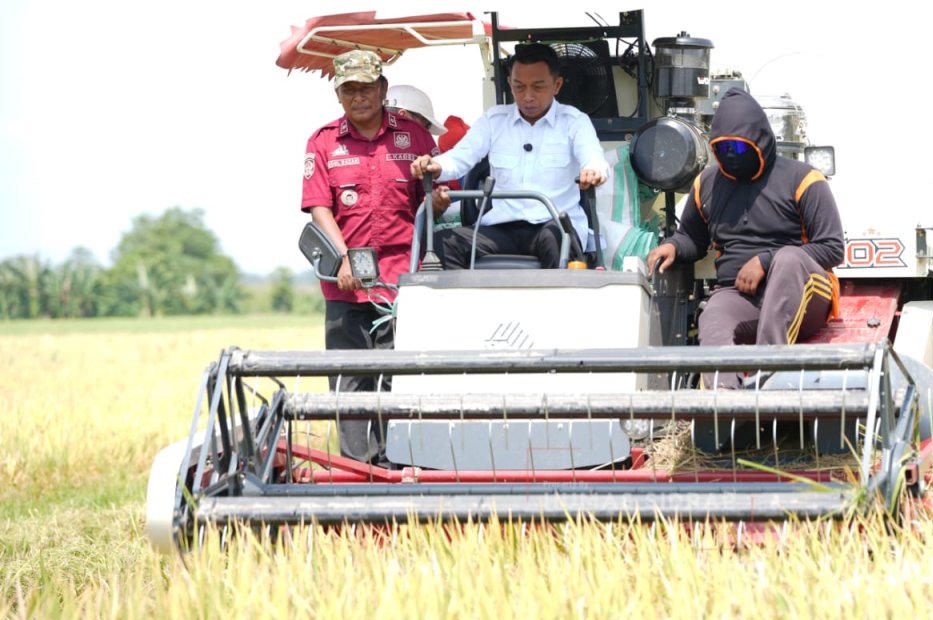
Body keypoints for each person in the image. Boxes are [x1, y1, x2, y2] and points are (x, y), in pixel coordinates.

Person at [646, 87, 844, 388]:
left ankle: (770, 379)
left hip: (805, 295)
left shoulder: (804, 179)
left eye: (738, 148)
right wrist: (673, 245)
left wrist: (767, 260)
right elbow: (692, 237)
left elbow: (832, 248)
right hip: (741, 295)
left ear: (761, 142)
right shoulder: (707, 183)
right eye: (723, 149)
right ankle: (725, 404)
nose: (731, 157)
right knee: (712, 316)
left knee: (789, 258)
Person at [300, 49, 443, 465]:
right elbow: (318, 206)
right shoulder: (323, 141)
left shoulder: (413, 138)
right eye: (349, 90)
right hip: (344, 285)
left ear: (382, 89)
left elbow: (431, 202)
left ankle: (395, 466)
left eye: (366, 88)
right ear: (338, 95)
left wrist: (440, 199)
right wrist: (344, 259)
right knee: (349, 382)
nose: (358, 97)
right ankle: (355, 472)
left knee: (395, 379)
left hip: (401, 283)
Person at [410, 43, 608, 268]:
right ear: (509, 84)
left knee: (556, 240)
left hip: (553, 226)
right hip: (502, 228)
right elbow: (460, 156)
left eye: (538, 87)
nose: (528, 96)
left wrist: (593, 171)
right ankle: (466, 303)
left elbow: (594, 158)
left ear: (557, 85)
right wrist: (434, 165)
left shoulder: (574, 122)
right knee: (442, 243)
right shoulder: (494, 120)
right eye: (519, 87)